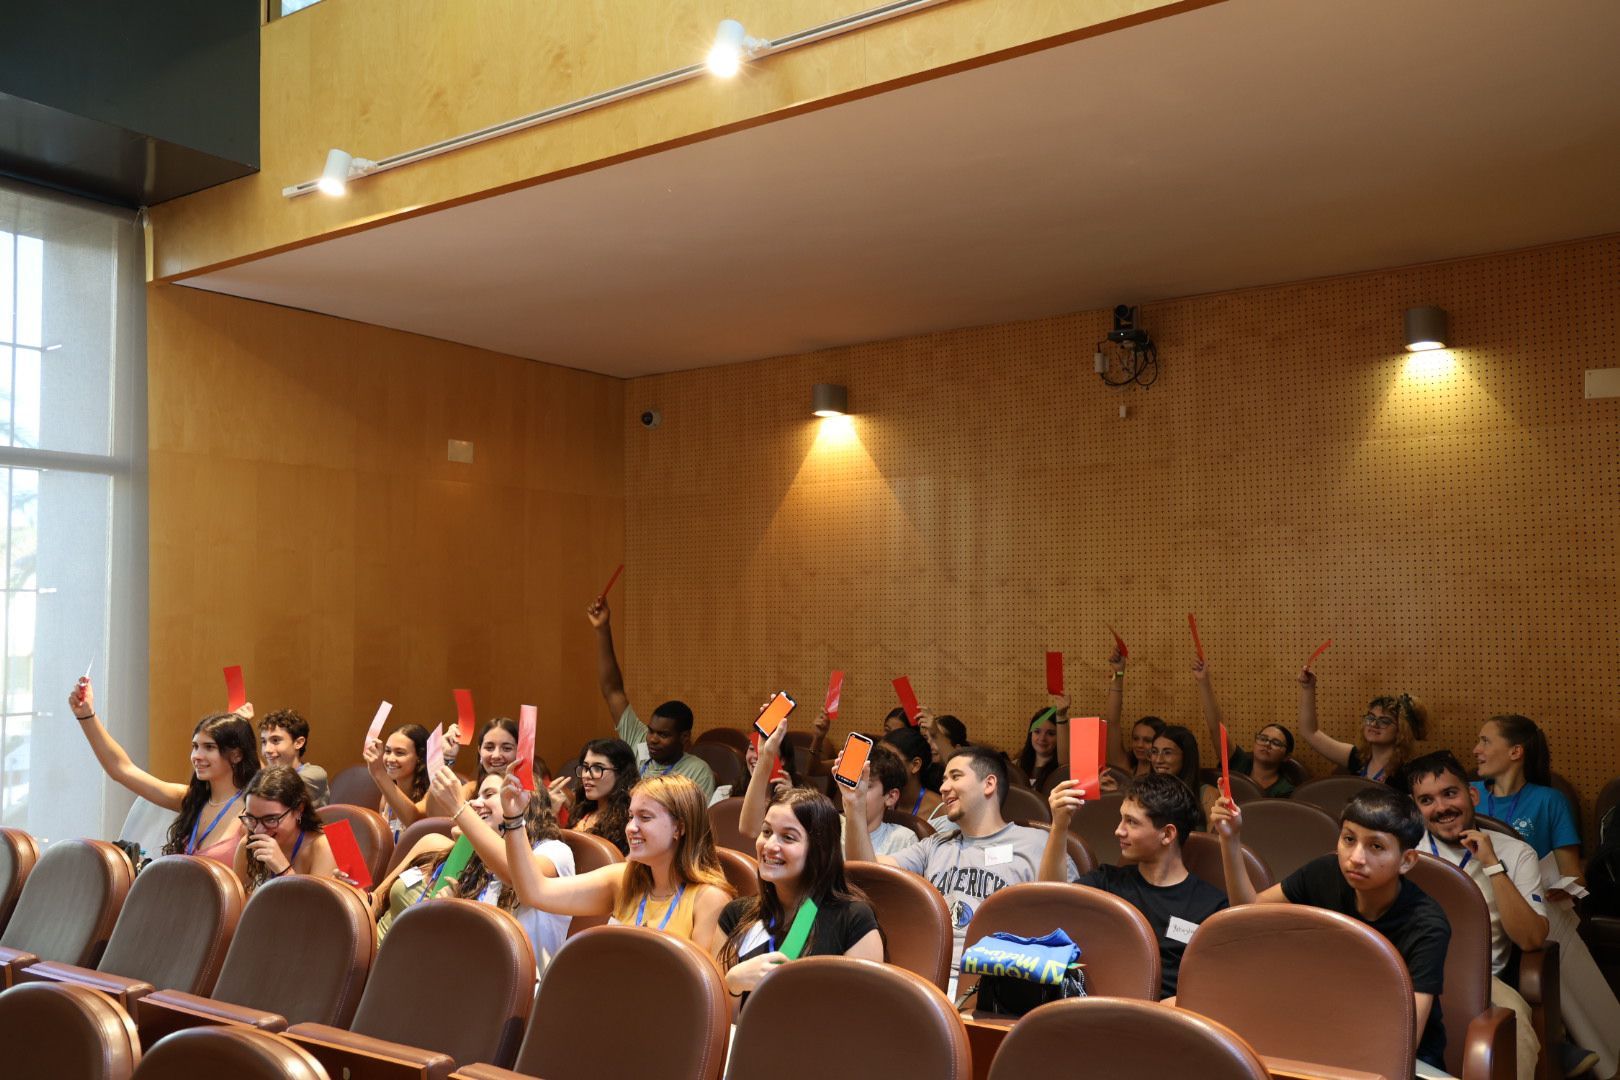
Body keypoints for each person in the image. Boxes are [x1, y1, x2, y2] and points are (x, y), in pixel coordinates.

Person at [1211, 789, 1451, 1075]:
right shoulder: (1325, 873)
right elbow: (1248, 913)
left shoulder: (1427, 925)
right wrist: (1230, 839)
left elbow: (1405, 1042)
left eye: (1376, 847)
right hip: (1320, 1039)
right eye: (1349, 839)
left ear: (1407, 860)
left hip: (1402, 1061)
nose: (1356, 858)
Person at [842, 743, 1076, 992]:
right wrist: (854, 807)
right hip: (926, 974)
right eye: (943, 779)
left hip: (996, 983)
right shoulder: (934, 845)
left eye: (955, 776)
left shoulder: (1037, 843)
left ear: (989, 784)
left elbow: (1059, 907)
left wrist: (1059, 827)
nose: (943, 788)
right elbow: (865, 872)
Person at [1472, 716, 1617, 1077]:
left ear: (1515, 751)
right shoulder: (1467, 792)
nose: (1477, 750)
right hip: (1478, 905)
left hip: (1531, 905)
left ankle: (1560, 1041)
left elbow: (1573, 873)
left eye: (1486, 741)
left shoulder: (1549, 800)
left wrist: (1561, 887)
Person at [1403, 751, 1562, 1080]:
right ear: (1415, 807)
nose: (1442, 807)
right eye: (1427, 800)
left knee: (1514, 1023)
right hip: (1409, 971)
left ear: (1471, 794)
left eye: (1450, 793)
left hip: (1482, 981)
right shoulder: (1405, 850)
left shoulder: (1516, 853)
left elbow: (1532, 939)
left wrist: (1492, 865)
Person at [1040, 772, 1228, 999]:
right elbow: (1049, 902)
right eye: (1121, 819)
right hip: (1102, 1008)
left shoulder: (1211, 906)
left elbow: (1217, 986)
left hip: (1169, 1020)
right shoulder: (1106, 882)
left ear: (1167, 834)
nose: (1119, 830)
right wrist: (1060, 825)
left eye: (1131, 822)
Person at [499, 772, 732, 952]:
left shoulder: (709, 899)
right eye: (631, 816)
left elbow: (702, 994)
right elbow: (535, 891)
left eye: (645, 817)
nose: (631, 828)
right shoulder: (623, 879)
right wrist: (514, 818)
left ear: (679, 828)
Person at [719, 787, 884, 1010]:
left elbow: (861, 1018)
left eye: (788, 837)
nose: (769, 846)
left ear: (819, 850)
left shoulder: (852, 919)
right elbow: (715, 1021)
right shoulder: (736, 915)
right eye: (766, 832)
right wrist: (734, 983)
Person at [69, 676, 259, 862]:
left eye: (209, 747)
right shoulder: (190, 799)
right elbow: (121, 769)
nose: (197, 756)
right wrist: (86, 716)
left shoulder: (253, 811)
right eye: (195, 747)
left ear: (236, 754)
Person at [586, 597, 715, 800]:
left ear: (684, 737)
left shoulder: (697, 772)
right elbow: (613, 691)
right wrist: (602, 629)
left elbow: (695, 823)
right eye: (651, 731)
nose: (652, 739)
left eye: (663, 735)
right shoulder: (639, 743)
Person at [741, 721, 917, 857]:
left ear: (891, 796)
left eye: (866, 787)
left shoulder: (902, 838)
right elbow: (751, 829)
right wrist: (765, 758)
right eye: (851, 783)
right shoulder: (828, 822)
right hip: (814, 903)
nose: (855, 792)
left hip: (864, 904)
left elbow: (866, 880)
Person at [1297, 669, 1425, 783]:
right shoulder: (1357, 757)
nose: (1374, 724)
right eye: (1370, 718)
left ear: (1401, 730)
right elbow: (1310, 732)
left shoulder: (1409, 770)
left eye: (1384, 721)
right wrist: (1308, 688)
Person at [1192, 660, 1295, 798]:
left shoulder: (1285, 789)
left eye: (1276, 743)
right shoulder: (1238, 763)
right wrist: (1204, 682)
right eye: (1263, 738)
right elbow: (1216, 728)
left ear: (1286, 756)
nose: (1267, 744)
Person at [233, 765, 337, 894]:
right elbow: (236, 906)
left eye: (270, 819)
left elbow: (314, 911)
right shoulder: (247, 845)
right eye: (251, 818)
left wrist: (284, 870)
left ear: (299, 809)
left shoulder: (335, 841)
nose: (258, 831)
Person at [549, 738, 639, 855]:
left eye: (597, 768)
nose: (586, 775)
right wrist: (551, 813)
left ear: (621, 774)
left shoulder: (630, 820)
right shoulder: (582, 810)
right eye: (585, 768)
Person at [1100, 648, 1165, 779]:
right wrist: (1118, 673)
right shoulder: (1124, 766)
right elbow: (1113, 722)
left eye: (1147, 740)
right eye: (1136, 739)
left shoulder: (1165, 775)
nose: (1139, 745)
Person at [365, 723, 430, 841]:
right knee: (335, 835)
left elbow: (414, 820)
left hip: (414, 859)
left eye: (400, 753)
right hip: (388, 859)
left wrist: (379, 773)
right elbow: (381, 843)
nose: (390, 759)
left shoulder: (432, 795)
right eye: (388, 751)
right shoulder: (386, 797)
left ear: (420, 757)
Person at [257, 709, 329, 807]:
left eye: (275, 740)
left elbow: (273, 788)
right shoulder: (270, 774)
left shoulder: (314, 775)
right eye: (264, 742)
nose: (267, 750)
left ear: (298, 743)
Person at [1150, 725, 1218, 824]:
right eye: (1154, 752)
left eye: (1167, 753)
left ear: (1186, 757)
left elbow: (1216, 839)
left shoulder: (1208, 794)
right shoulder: (1143, 792)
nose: (1158, 760)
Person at [881, 726, 941, 821]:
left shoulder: (940, 811)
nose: (881, 765)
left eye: (889, 759)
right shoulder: (879, 800)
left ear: (915, 765)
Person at [1016, 706, 1060, 791]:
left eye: (1050, 734)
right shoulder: (1017, 765)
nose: (1042, 738)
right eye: (1037, 731)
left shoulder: (1062, 769)